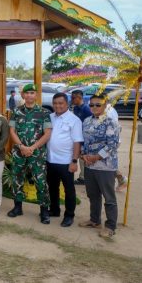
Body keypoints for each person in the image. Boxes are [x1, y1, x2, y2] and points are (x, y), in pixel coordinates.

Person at [7, 83, 52, 224]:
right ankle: (17, 207)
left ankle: (44, 211)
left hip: (37, 153)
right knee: (17, 179)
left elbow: (47, 133)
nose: (30, 95)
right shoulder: (16, 111)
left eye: (32, 93)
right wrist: (21, 146)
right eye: (27, 93)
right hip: (19, 152)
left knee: (41, 182)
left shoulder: (44, 113)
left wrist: (31, 148)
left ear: (36, 95)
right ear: (23, 95)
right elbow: (12, 131)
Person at [79, 94, 120, 239]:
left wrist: (96, 157)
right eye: (91, 105)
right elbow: (84, 141)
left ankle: (110, 226)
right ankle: (95, 220)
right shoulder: (87, 121)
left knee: (109, 197)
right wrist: (83, 155)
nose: (94, 108)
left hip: (105, 166)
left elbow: (112, 145)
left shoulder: (111, 122)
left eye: (98, 104)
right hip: (90, 165)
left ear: (105, 105)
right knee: (93, 195)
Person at [47, 93, 83, 227]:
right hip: (50, 159)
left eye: (60, 103)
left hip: (66, 162)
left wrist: (74, 161)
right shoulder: (50, 117)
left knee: (69, 190)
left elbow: (77, 142)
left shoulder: (74, 120)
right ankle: (55, 210)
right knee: (52, 187)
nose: (57, 106)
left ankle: (69, 215)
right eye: (55, 103)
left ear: (67, 104)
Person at [70, 89, 92, 185]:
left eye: (73, 98)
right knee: (81, 157)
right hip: (79, 137)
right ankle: (83, 177)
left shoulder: (86, 109)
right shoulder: (76, 108)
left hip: (86, 137)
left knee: (86, 158)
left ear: (79, 98)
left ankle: (118, 175)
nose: (72, 100)